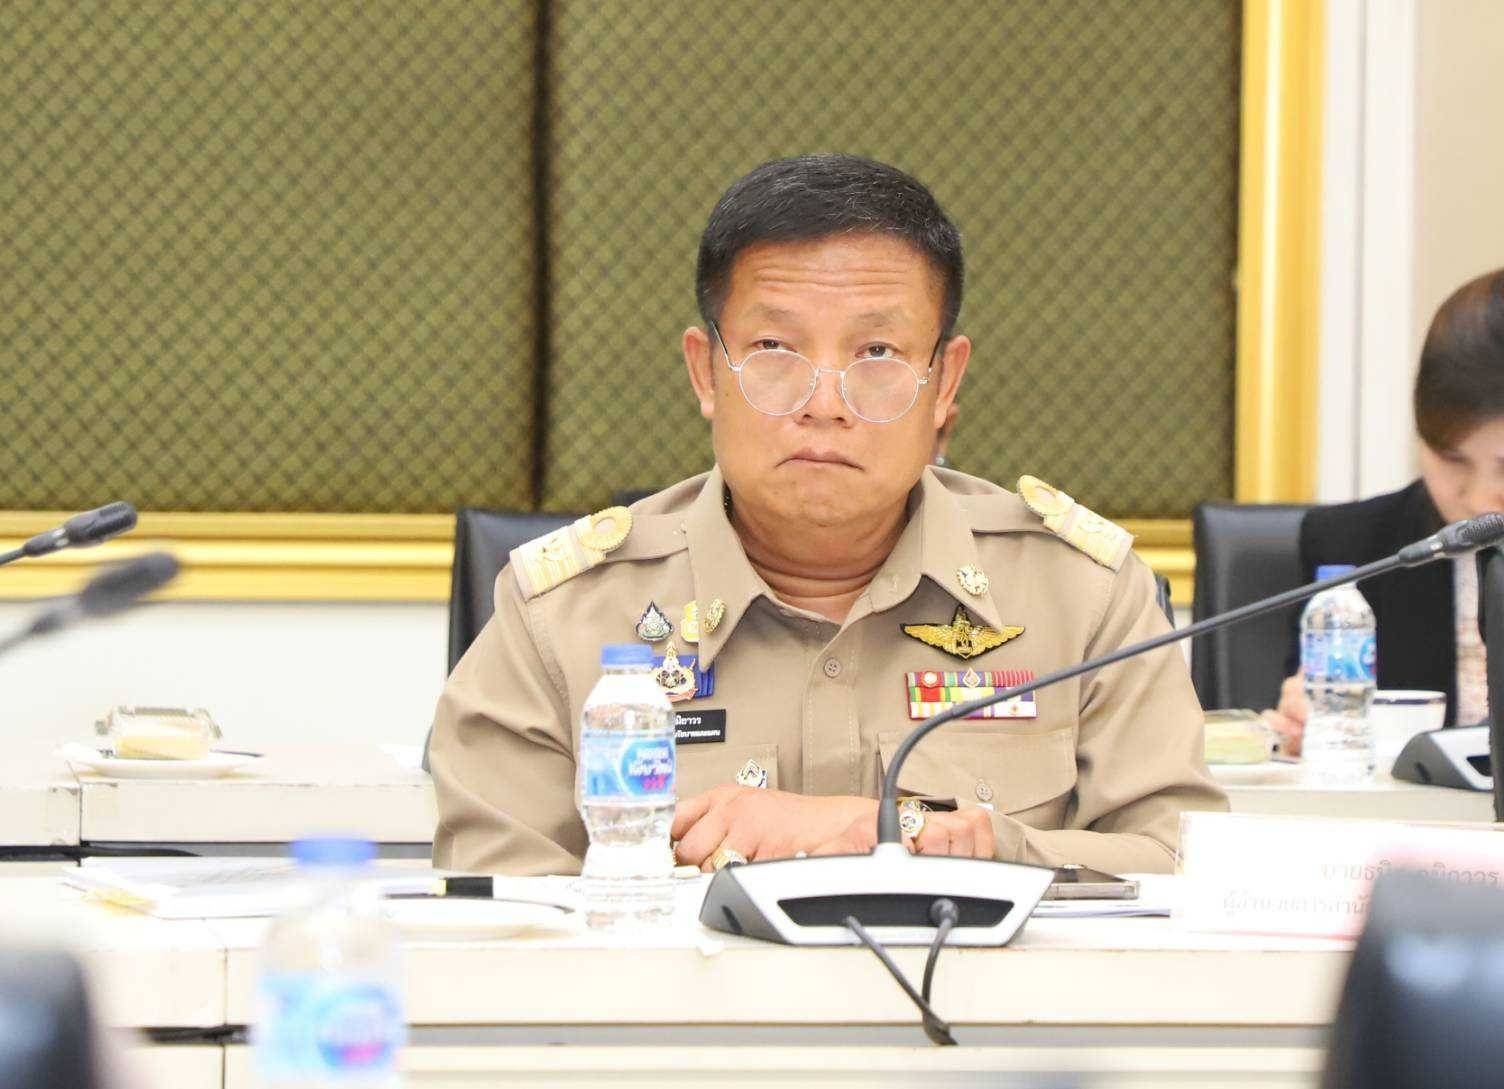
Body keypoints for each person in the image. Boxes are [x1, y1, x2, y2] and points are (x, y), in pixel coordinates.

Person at [429, 154, 1225, 877]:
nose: (824, 403)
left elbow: (1185, 866)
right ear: (706, 372)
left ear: (944, 384)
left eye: (877, 354)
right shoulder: (561, 615)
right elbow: (491, 916)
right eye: (775, 349)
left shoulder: (1081, 597)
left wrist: (893, 834)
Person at [1264, 267, 1504, 751]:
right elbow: (1315, 725)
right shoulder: (1352, 546)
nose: (1480, 500)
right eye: (1451, 460)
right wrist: (1305, 728)